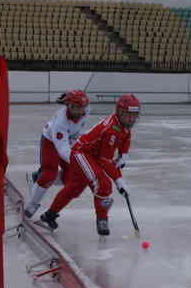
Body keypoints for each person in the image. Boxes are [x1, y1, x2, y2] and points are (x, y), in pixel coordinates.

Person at [38, 93, 140, 236]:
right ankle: (102, 220)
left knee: (74, 188)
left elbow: (126, 136)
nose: (131, 119)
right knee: (104, 184)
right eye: (127, 114)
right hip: (81, 154)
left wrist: (124, 154)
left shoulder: (122, 124)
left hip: (91, 156)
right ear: (119, 112)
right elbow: (105, 160)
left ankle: (49, 215)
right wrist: (118, 180)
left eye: (134, 115)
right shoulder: (111, 130)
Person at [23, 90, 90, 218]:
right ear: (68, 106)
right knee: (49, 174)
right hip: (51, 141)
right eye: (75, 108)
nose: (79, 112)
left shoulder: (86, 110)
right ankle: (32, 205)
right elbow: (63, 151)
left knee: (70, 180)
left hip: (68, 140)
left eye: (82, 108)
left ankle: (37, 177)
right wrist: (80, 161)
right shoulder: (60, 122)